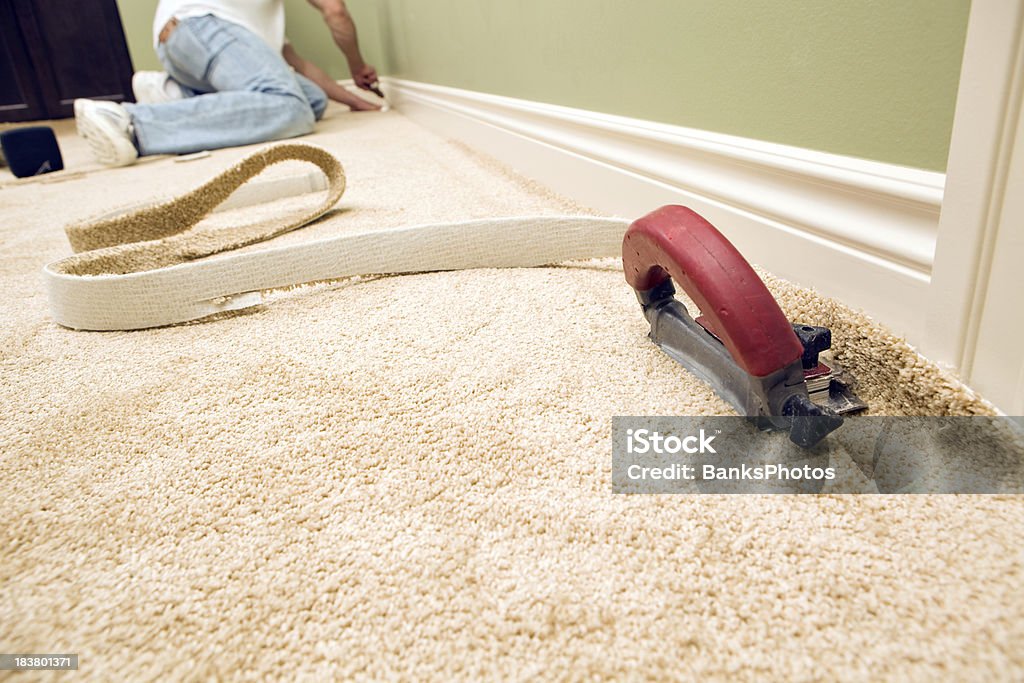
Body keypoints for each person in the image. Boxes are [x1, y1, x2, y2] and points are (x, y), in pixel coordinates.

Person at [74, 0, 381, 167]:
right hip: (202, 25)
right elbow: (335, 10)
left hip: (182, 43)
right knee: (291, 108)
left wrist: (355, 101)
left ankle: (174, 93)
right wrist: (357, 65)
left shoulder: (254, 21)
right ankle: (131, 122)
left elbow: (297, 64)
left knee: (311, 98)